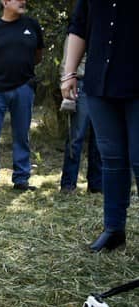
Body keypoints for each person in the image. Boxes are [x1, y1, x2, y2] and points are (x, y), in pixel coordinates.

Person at [62, 1, 139, 252]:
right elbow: (79, 28)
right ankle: (114, 230)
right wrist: (69, 72)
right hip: (99, 83)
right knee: (112, 160)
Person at [0, 0, 43, 191]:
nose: (23, 1)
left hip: (24, 88)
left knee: (22, 135)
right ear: (5, 2)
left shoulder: (32, 26)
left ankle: (21, 178)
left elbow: (38, 56)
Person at [59, 42, 101, 194]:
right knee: (76, 137)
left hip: (101, 84)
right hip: (80, 83)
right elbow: (66, 59)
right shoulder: (78, 29)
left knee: (99, 139)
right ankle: (68, 184)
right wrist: (66, 84)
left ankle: (96, 185)